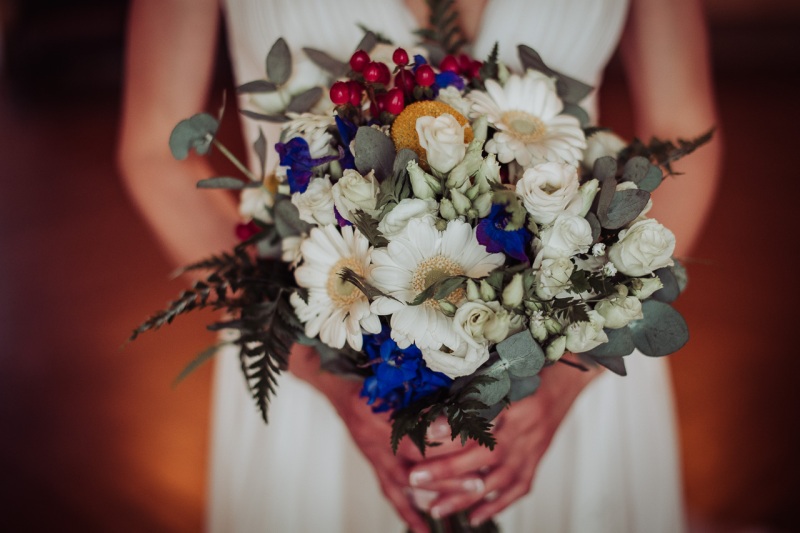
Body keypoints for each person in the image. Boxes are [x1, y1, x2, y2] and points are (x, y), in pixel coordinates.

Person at [118, 0, 721, 531]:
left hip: (569, 349)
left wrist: (568, 376)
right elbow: (153, 150)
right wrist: (317, 367)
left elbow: (685, 127)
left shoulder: (568, 368)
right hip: (320, 344)